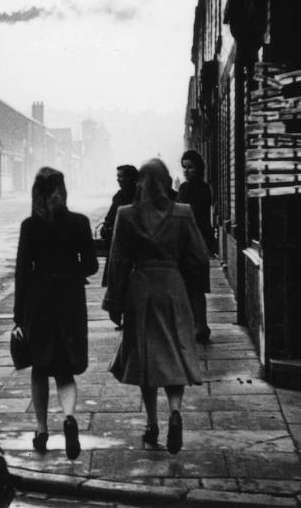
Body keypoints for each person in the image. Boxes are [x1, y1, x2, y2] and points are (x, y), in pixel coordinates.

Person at [102, 158, 207, 454]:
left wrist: (114, 301)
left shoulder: (126, 214)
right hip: (173, 288)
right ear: (167, 182)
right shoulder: (183, 213)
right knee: (176, 349)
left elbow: (118, 262)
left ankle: (152, 423)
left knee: (145, 356)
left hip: (141, 289)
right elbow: (199, 257)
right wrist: (180, 275)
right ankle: (175, 411)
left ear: (140, 183)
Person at [12, 167, 98, 460]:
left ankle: (41, 429)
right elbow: (91, 266)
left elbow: (22, 273)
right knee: (64, 368)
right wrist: (70, 272)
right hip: (70, 300)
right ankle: (70, 417)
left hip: (38, 303)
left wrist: (18, 318)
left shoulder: (30, 226)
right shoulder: (79, 223)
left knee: (39, 367)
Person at [177, 149, 216, 343]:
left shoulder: (201, 188)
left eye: (190, 167)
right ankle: (196, 325)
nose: (186, 171)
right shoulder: (184, 188)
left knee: (196, 287)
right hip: (187, 241)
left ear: (198, 168)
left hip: (196, 240)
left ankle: (200, 326)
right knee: (190, 286)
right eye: (184, 167)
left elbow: (195, 214)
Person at [100, 164, 138, 287]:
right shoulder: (121, 195)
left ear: (130, 177)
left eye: (121, 176)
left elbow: (111, 218)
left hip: (123, 246)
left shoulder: (123, 196)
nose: (118, 179)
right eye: (118, 176)